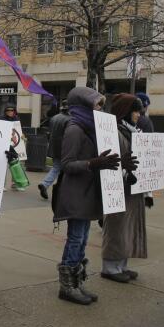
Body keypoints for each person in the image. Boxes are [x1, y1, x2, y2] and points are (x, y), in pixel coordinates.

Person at [51, 86, 118, 305]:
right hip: (76, 193)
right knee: (75, 239)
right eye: (96, 104)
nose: (100, 108)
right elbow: (67, 164)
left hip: (88, 191)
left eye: (101, 104)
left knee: (83, 239)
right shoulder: (75, 129)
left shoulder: (90, 128)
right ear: (82, 106)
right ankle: (67, 286)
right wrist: (93, 163)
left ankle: (77, 282)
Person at [100, 94, 144, 283]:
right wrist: (124, 170)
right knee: (117, 226)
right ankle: (110, 267)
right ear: (126, 112)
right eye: (135, 111)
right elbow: (110, 160)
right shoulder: (115, 132)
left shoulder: (134, 131)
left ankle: (122, 265)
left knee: (129, 226)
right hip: (118, 188)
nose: (138, 115)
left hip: (133, 188)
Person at [38, 105, 70, 201]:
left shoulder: (54, 118)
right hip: (65, 148)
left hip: (54, 148)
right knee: (66, 170)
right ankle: (62, 191)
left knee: (56, 168)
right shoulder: (70, 119)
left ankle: (45, 184)